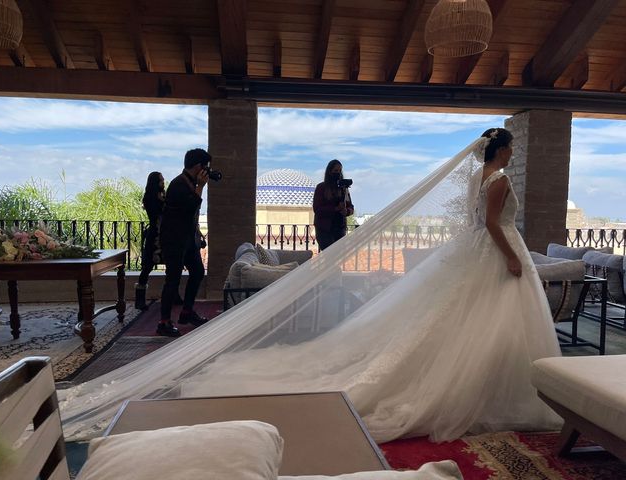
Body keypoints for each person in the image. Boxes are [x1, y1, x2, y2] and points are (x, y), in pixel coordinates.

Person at [59, 130, 563, 444]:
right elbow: (495, 225)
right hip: (495, 253)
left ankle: (487, 377)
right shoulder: (496, 180)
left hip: (475, 253)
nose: (516, 151)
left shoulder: (479, 177)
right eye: (513, 146)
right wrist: (510, 260)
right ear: (503, 150)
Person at [157, 149, 211, 337]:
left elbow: (191, 215)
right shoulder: (178, 184)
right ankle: (163, 322)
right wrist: (201, 187)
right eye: (206, 166)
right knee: (172, 279)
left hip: (188, 239)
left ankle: (187, 312)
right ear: (198, 166)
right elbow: (189, 208)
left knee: (197, 271)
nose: (207, 170)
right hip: (174, 240)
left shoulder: (190, 182)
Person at [134, 172, 165, 311]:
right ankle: (139, 300)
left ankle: (173, 294)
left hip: (163, 234)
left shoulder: (161, 196)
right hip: (155, 235)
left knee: (170, 264)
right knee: (147, 266)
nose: (163, 181)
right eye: (161, 179)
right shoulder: (150, 198)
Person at [313, 159, 354, 250]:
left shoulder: (343, 188)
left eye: (340, 171)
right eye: (335, 171)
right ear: (329, 171)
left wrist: (346, 211)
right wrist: (335, 209)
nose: (338, 173)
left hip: (339, 229)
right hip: (324, 229)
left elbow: (350, 207)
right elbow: (317, 209)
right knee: (329, 257)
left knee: (338, 257)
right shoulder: (321, 188)